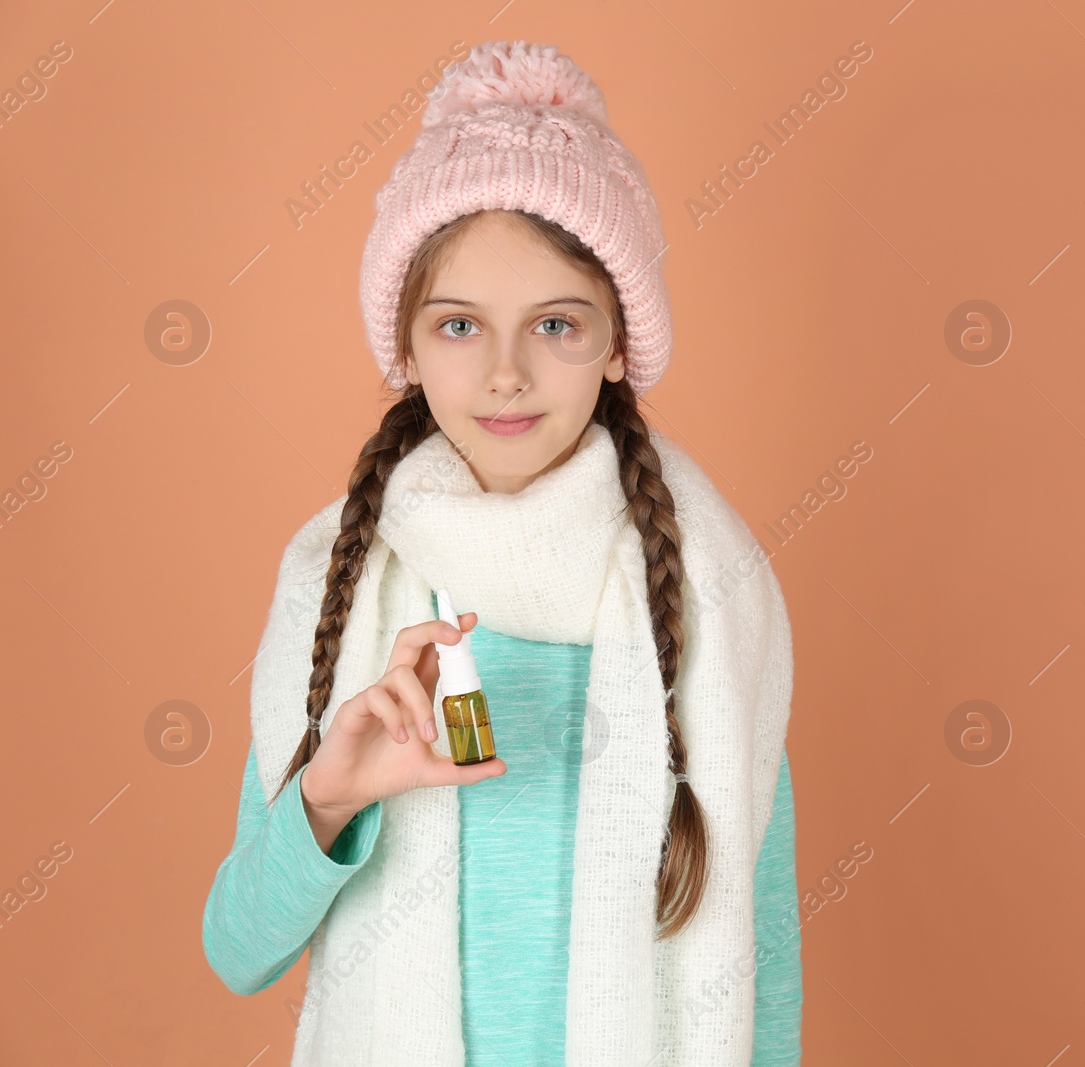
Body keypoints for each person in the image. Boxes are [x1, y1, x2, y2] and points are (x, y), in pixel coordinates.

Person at [201, 40, 800, 1067]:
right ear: (408, 342)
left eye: (557, 323)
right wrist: (331, 795)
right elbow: (238, 951)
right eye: (460, 325)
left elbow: (763, 954)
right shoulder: (344, 586)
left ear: (619, 342)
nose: (507, 374)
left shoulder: (706, 589)